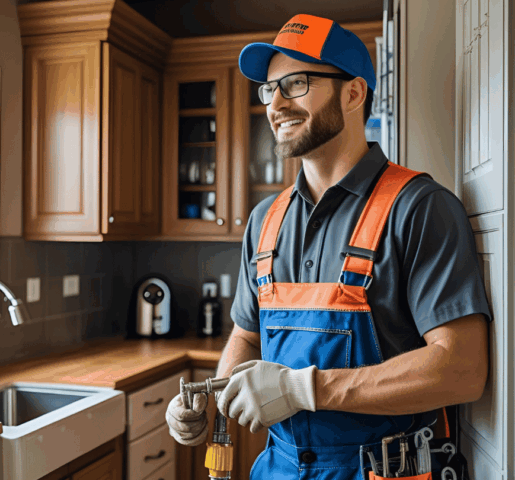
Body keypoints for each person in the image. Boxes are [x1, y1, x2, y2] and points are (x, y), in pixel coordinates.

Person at [165, 13, 491, 479]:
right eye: (268, 89)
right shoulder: (264, 221)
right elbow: (247, 334)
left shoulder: (420, 208)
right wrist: (214, 398)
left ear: (353, 93)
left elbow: (462, 367)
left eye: (295, 83)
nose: (275, 103)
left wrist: (304, 389)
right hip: (276, 467)